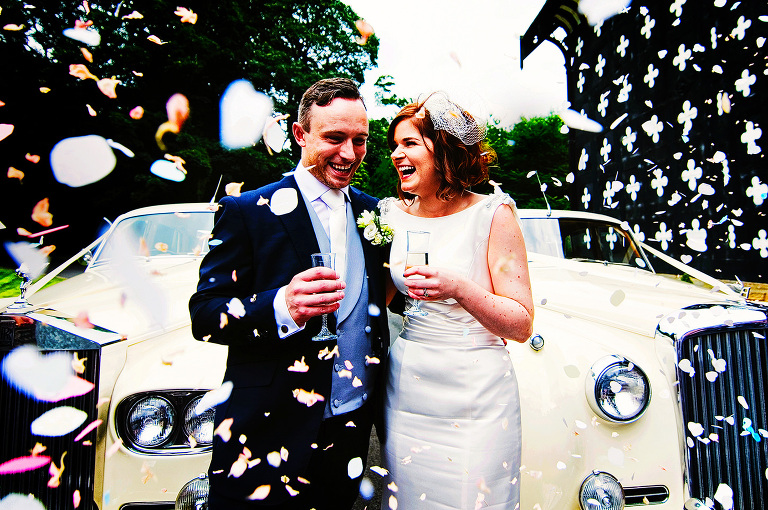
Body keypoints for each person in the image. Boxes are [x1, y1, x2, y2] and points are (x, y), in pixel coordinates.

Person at [189, 77, 392, 510]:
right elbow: (205, 315)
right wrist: (283, 305)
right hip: (266, 429)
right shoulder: (245, 212)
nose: (349, 154)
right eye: (334, 138)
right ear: (300, 135)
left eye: (361, 140)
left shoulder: (376, 213)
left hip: (350, 431)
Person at [378, 92, 534, 509]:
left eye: (409, 143)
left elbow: (520, 323)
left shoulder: (493, 213)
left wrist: (459, 288)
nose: (396, 154)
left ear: (444, 151)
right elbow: (376, 300)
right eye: (395, 144)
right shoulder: (390, 215)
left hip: (476, 394)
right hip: (408, 391)